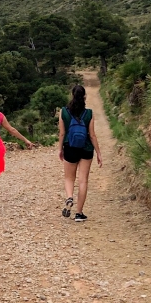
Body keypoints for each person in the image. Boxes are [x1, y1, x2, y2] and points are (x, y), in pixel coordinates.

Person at [57, 84, 102, 222]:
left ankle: (69, 197)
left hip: (70, 147)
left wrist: (60, 149)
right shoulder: (89, 113)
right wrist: (99, 153)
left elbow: (62, 133)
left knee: (69, 178)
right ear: (84, 97)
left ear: (72, 95)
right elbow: (92, 135)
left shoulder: (63, 111)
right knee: (83, 181)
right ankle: (79, 213)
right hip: (86, 148)